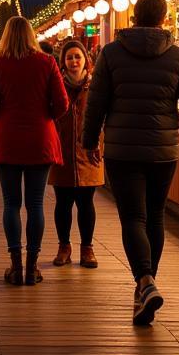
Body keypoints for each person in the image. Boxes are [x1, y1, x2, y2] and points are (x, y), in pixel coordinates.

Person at [84, 0, 179, 326]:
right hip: (163, 150)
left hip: (123, 149)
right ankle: (146, 284)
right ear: (164, 18)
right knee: (155, 217)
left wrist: (88, 141)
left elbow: (95, 103)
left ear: (134, 16)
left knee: (133, 218)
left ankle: (144, 282)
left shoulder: (111, 54)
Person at [0, 16, 68, 287]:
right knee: (36, 204)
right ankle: (32, 268)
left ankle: (15, 266)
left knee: (11, 204)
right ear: (31, 35)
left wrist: (0, 114)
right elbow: (62, 103)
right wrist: (45, 115)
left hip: (7, 138)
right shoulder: (47, 62)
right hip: (40, 138)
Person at [50, 38, 104, 269]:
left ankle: (87, 248)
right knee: (62, 202)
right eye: (69, 57)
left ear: (86, 61)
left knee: (86, 203)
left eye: (77, 57)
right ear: (63, 62)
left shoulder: (96, 87)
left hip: (88, 151)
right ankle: (64, 246)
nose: (73, 61)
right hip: (61, 150)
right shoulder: (55, 86)